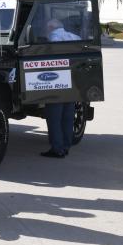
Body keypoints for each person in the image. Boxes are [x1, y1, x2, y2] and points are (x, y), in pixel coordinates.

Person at [41, 18, 80, 159]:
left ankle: (57, 149)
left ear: (51, 27)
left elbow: (50, 60)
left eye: (47, 27)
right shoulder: (75, 37)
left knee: (54, 117)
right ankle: (66, 146)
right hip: (72, 83)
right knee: (68, 117)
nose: (46, 30)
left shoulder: (53, 37)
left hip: (56, 83)